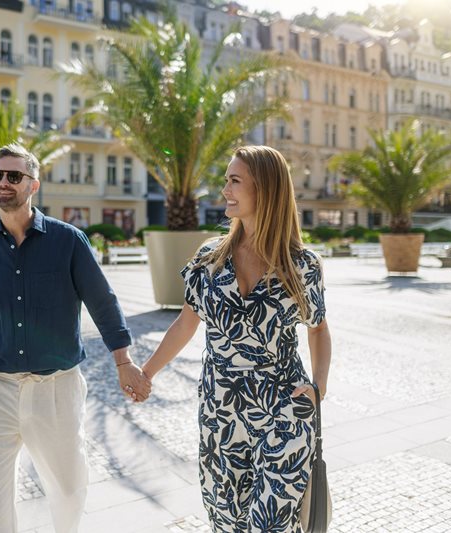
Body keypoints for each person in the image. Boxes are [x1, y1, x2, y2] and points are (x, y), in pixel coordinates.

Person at [0, 142, 151, 533]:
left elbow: (103, 303)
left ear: (34, 185)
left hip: (56, 389)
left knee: (67, 489)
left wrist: (124, 362)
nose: (4, 183)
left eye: (15, 176)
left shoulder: (68, 241)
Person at [140, 145, 332, 532]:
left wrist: (319, 388)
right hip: (220, 411)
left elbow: (319, 328)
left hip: (283, 409)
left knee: (270, 524)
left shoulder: (302, 264)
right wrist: (146, 373)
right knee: (226, 519)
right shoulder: (210, 259)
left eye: (234, 181)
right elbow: (184, 324)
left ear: (264, 188)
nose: (224, 189)